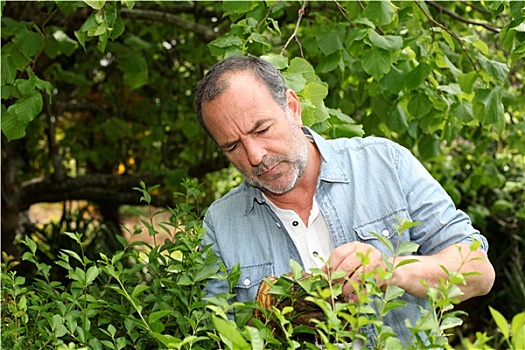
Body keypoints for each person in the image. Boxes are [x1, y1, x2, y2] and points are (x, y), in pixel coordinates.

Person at [194, 55, 495, 344]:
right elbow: (213, 335)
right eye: (233, 146)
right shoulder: (220, 225)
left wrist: (390, 270)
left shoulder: (384, 164)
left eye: (262, 129)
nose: (255, 155)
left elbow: (479, 272)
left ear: (293, 107)